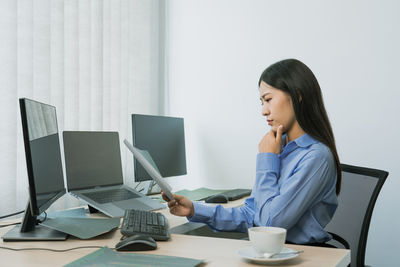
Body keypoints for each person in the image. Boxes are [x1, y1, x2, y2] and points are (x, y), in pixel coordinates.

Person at [162, 59, 341, 245]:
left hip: (303, 256)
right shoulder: (280, 149)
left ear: (297, 96)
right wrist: (194, 210)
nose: (264, 111)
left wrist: (267, 158)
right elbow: (252, 214)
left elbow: (270, 225)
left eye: (269, 99)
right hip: (271, 253)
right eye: (262, 102)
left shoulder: (316, 157)